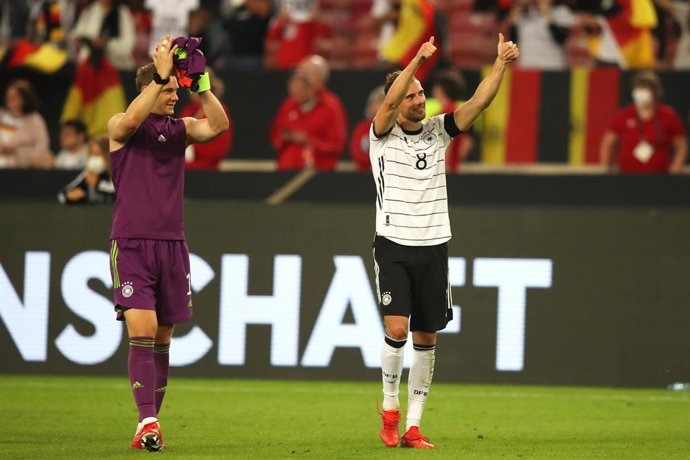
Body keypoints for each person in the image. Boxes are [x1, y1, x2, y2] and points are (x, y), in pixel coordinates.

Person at [371, 34, 519, 448]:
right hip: (394, 243)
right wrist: (416, 60)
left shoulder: (439, 131)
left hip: (434, 245)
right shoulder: (380, 135)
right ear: (398, 102)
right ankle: (389, 410)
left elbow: (479, 102)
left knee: (426, 337)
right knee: (396, 327)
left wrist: (500, 64)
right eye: (412, 95)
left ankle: (413, 426)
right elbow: (386, 105)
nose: (420, 101)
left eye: (421, 94)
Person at [107, 34, 229, 451]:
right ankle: (148, 421)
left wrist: (203, 87)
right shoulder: (121, 127)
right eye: (170, 90)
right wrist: (161, 76)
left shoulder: (180, 131)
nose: (176, 97)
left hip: (172, 244)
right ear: (148, 88)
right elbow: (126, 121)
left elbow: (218, 125)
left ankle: (150, 424)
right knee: (140, 329)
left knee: (162, 337)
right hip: (133, 244)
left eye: (178, 90)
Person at [269, 55, 347, 170]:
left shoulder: (331, 106)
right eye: (300, 72)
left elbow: (336, 145)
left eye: (308, 74)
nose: (302, 78)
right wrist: (285, 138)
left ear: (321, 79)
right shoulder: (289, 104)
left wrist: (309, 141)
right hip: (286, 169)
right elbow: (275, 135)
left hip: (319, 172)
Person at [600, 71, 687, 174]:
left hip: (660, 177)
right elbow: (608, 143)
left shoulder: (668, 116)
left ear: (655, 92)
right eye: (639, 88)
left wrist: (676, 166)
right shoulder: (623, 115)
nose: (641, 92)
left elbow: (681, 145)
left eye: (646, 88)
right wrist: (605, 166)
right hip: (627, 177)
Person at [178, 67, 233, 170]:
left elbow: (220, 149)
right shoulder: (188, 110)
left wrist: (192, 147)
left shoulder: (219, 111)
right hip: (183, 168)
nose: (192, 92)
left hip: (207, 171)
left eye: (195, 87)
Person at [0, 79, 53, 168]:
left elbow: (42, 146)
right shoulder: (1, 115)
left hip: (25, 169)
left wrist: (17, 151)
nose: (9, 101)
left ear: (23, 99)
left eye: (13, 98)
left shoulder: (35, 120)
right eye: (8, 97)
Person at [70, 0, 136, 69]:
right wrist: (81, 40)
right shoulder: (89, 11)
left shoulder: (123, 13)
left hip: (116, 67)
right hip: (90, 68)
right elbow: (77, 35)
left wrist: (105, 43)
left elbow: (127, 47)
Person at [58, 134, 115, 204]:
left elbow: (117, 194)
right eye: (92, 154)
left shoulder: (117, 173)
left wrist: (97, 183)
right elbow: (63, 193)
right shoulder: (88, 173)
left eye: (98, 155)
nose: (94, 159)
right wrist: (68, 196)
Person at [350, 85, 385, 171]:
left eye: (385, 102)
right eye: (379, 102)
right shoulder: (362, 128)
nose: (383, 106)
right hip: (364, 174)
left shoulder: (397, 129)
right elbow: (356, 152)